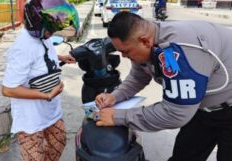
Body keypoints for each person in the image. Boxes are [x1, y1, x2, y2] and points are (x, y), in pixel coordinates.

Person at [95, 12, 232, 161]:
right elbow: (138, 76)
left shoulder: (176, 51)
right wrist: (115, 95)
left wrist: (118, 117)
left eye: (126, 51)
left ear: (145, 41)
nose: (124, 57)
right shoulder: (150, 40)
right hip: (200, 110)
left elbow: (174, 113)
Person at [1, 0, 80, 161]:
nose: (53, 31)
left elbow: (41, 56)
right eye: (51, 28)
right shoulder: (22, 48)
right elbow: (8, 89)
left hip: (51, 112)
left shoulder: (43, 37)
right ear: (37, 23)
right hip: (31, 119)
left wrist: (60, 57)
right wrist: (45, 95)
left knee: (58, 143)